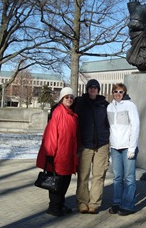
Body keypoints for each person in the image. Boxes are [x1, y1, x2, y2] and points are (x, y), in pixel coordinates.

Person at [36, 87, 79, 217]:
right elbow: (51, 133)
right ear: (61, 99)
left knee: (65, 180)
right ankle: (53, 206)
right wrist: (49, 152)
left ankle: (60, 204)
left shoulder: (72, 114)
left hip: (68, 154)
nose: (69, 99)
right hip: (58, 154)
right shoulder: (58, 112)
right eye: (67, 97)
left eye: (71, 97)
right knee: (56, 181)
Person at [72, 79, 110, 214]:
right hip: (85, 145)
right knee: (83, 175)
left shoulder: (105, 104)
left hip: (102, 144)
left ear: (98, 89)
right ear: (87, 89)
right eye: (90, 87)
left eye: (95, 87)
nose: (93, 89)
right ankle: (82, 202)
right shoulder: (80, 103)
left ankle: (94, 203)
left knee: (98, 175)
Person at [106, 83, 140, 216]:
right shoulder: (109, 107)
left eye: (121, 92)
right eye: (115, 91)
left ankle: (128, 205)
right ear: (112, 92)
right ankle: (117, 202)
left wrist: (132, 147)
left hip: (127, 147)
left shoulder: (130, 106)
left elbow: (135, 126)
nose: (118, 94)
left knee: (129, 178)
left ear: (124, 93)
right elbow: (110, 128)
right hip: (115, 147)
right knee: (117, 177)